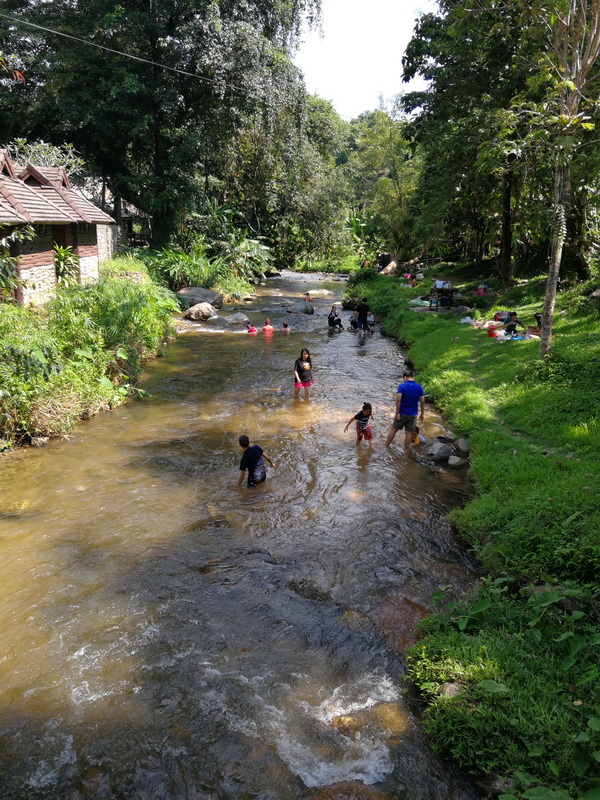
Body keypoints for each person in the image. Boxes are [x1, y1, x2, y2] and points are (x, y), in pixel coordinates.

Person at [385, 370, 425, 450]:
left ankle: (386, 446)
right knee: (409, 432)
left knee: (394, 429)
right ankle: (406, 450)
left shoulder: (402, 386)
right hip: (413, 414)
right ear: (413, 378)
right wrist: (422, 414)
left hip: (402, 412)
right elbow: (422, 401)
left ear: (405, 377)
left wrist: (397, 412)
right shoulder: (419, 387)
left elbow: (398, 399)